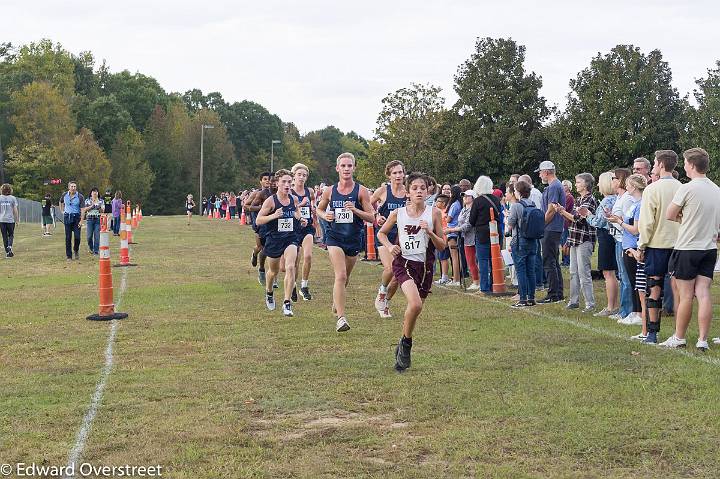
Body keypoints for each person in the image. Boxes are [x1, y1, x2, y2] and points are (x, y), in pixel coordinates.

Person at [377, 172, 446, 372]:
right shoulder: (398, 213)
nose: (418, 191)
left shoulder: (433, 214)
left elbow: (442, 246)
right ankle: (407, 347)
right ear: (407, 192)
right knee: (414, 304)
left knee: (416, 310)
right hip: (404, 263)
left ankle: (402, 342)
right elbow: (381, 233)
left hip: (424, 268)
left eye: (422, 188)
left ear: (428, 191)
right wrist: (390, 246)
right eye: (414, 188)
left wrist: (430, 232)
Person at [662, 148, 720, 351]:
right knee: (703, 293)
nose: (684, 166)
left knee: (686, 295)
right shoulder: (716, 189)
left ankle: (679, 337)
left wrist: (683, 217)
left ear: (692, 165)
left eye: (686, 162)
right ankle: (703, 339)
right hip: (709, 248)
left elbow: (670, 214)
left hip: (688, 247)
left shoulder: (687, 188)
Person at [316, 152, 375, 332]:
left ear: (354, 168)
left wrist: (356, 210)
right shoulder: (330, 191)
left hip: (353, 239)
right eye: (343, 166)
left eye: (349, 166)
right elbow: (319, 209)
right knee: (340, 275)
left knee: (345, 277)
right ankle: (341, 318)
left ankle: (337, 301)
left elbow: (372, 217)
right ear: (337, 168)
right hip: (334, 237)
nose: (346, 169)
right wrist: (325, 215)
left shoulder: (361, 191)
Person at [636, 150, 682, 344]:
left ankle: (653, 333)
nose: (654, 166)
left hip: (657, 244)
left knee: (654, 287)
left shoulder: (652, 189)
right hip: (679, 244)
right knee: (679, 290)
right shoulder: (682, 187)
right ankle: (678, 334)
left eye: (655, 163)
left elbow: (647, 222)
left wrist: (641, 245)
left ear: (661, 165)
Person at [256, 169, 306, 317]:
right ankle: (269, 292)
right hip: (274, 239)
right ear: (277, 183)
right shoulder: (271, 201)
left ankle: (287, 303)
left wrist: (300, 219)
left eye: (289, 182)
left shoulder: (293, 199)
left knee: (291, 267)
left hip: (290, 237)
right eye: (284, 182)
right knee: (273, 272)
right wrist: (273, 215)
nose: (287, 185)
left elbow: (296, 212)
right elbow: (259, 220)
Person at [608, 174, 648, 338]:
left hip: (632, 245)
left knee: (635, 282)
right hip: (627, 244)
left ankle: (638, 313)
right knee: (632, 281)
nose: (627, 187)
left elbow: (635, 229)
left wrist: (620, 223)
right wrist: (618, 219)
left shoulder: (639, 204)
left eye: (630, 185)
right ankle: (634, 311)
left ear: (635, 187)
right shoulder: (633, 204)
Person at [555, 173, 598, 312]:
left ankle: (590, 303)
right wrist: (569, 240)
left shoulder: (590, 200)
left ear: (586, 184)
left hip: (584, 239)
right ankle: (574, 301)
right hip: (575, 239)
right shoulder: (579, 199)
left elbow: (578, 219)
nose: (576, 184)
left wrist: (561, 211)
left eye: (579, 182)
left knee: (583, 272)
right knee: (573, 271)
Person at [371, 160, 407, 317]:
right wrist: (376, 216)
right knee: (390, 268)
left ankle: (385, 302)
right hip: (384, 234)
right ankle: (382, 291)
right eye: (395, 173)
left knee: (398, 277)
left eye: (400, 172)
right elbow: (367, 205)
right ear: (389, 175)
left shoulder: (408, 192)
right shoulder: (383, 191)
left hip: (401, 236)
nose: (398, 175)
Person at [587, 171, 619, 317]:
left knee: (608, 272)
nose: (598, 185)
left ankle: (611, 306)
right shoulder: (617, 198)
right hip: (613, 236)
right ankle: (615, 305)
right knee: (613, 272)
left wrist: (587, 215)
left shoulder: (607, 201)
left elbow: (599, 221)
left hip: (606, 236)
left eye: (600, 181)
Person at [506, 180, 539, 307]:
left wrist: (508, 218)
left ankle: (523, 298)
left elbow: (511, 224)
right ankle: (531, 297)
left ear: (518, 192)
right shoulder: (532, 204)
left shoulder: (516, 206)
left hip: (520, 240)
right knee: (531, 270)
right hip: (532, 240)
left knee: (521, 270)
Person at [536, 161, 565, 303]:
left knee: (549, 261)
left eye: (540, 172)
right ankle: (558, 292)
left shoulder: (554, 186)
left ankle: (553, 294)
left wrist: (541, 225)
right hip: (554, 228)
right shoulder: (555, 185)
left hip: (551, 228)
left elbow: (551, 210)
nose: (540, 175)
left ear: (546, 172)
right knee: (553, 261)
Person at [608, 168, 634, 322]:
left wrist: (616, 220)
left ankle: (628, 311)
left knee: (625, 277)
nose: (612, 181)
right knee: (622, 276)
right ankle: (624, 309)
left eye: (614, 178)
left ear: (620, 179)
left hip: (624, 239)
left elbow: (627, 220)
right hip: (618, 238)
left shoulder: (627, 198)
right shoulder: (619, 197)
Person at [469, 176, 502, 293]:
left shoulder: (478, 201)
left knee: (483, 260)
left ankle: (484, 286)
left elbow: (471, 220)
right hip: (496, 232)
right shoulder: (496, 199)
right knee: (494, 259)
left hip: (482, 233)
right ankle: (495, 283)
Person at [290, 163, 316, 301]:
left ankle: (304, 286)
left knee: (308, 256)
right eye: (299, 174)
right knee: (295, 261)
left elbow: (312, 205)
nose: (302, 177)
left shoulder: (309, 191)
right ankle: (292, 285)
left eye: (304, 175)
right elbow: (289, 209)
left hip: (307, 228)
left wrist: (313, 212)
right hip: (294, 229)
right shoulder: (289, 192)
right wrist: (300, 204)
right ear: (294, 176)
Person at [446, 189, 480, 290]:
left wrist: (452, 229)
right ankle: (476, 280)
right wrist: (453, 229)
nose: (464, 197)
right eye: (463, 196)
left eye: (467, 196)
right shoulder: (464, 209)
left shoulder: (472, 209)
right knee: (470, 261)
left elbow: (467, 225)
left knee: (473, 261)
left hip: (473, 237)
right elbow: (460, 223)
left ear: (473, 198)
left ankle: (477, 281)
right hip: (465, 238)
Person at [245, 172, 273, 283]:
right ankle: (254, 253)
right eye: (265, 179)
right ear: (260, 181)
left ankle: (262, 270)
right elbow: (246, 206)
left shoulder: (274, 193)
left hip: (270, 224)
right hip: (259, 224)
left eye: (269, 179)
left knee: (267, 248)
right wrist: (261, 208)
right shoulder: (256, 193)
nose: (267, 181)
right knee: (260, 247)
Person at [444, 185, 463, 286]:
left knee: (454, 257)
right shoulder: (460, 203)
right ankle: (457, 278)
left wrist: (445, 216)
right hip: (457, 231)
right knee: (457, 257)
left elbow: (449, 219)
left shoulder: (454, 204)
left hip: (452, 232)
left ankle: (456, 279)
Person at [60, 181, 84, 261]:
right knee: (68, 237)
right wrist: (62, 211)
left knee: (77, 237)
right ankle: (69, 256)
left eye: (74, 186)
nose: (73, 188)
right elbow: (60, 202)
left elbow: (83, 209)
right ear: (69, 187)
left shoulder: (80, 196)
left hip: (76, 217)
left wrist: (81, 220)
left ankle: (76, 250)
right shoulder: (64, 195)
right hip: (67, 217)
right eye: (72, 186)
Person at [432, 195, 451, 284]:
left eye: (438, 201)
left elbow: (445, 227)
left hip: (444, 238)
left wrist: (445, 240)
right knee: (441, 257)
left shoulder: (443, 213)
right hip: (440, 237)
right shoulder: (439, 212)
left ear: (443, 203)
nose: (436, 203)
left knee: (443, 258)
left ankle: (444, 277)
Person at [82, 187, 104, 256]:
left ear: (98, 193)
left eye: (96, 192)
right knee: (89, 237)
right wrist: (91, 206)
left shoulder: (101, 201)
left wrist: (99, 207)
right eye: (93, 192)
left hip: (98, 220)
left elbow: (103, 210)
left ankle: (96, 251)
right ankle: (91, 248)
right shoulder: (87, 200)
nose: (95, 193)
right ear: (91, 193)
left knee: (97, 236)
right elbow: (85, 209)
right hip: (89, 220)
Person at [0, 184, 19, 258]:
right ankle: (10, 246)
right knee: (11, 235)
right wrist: (17, 219)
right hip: (10, 220)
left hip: (1, 220)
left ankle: (8, 253)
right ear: (10, 190)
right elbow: (15, 210)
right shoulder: (13, 198)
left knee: (4, 236)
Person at [560, 180, 574, 267]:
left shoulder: (569, 197)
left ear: (569, 187)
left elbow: (565, 209)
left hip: (567, 223)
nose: (563, 186)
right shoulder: (563, 197)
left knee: (566, 242)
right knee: (562, 243)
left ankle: (567, 261)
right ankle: (564, 260)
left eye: (565, 185)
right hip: (562, 222)